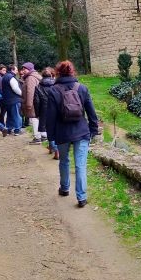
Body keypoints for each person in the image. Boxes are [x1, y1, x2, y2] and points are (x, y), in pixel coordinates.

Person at [46, 61, 99, 208]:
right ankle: (81, 197)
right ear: (72, 72)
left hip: (62, 133)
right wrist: (93, 130)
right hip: (81, 131)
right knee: (80, 165)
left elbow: (50, 117)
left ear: (57, 73)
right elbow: (91, 112)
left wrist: (51, 137)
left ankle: (64, 188)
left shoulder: (53, 90)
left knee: (64, 161)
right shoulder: (82, 88)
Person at [34, 67, 59, 159]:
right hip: (55, 109)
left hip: (44, 110)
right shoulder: (56, 85)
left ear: (42, 76)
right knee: (56, 128)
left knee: (48, 129)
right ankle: (55, 149)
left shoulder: (38, 87)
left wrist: (37, 114)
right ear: (51, 75)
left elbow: (36, 101)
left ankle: (53, 147)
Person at [20, 62, 43, 144]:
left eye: (24, 69)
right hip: (36, 101)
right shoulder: (34, 76)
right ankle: (43, 136)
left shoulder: (30, 78)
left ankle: (37, 137)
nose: (23, 71)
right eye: (22, 69)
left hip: (33, 102)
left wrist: (29, 104)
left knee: (34, 119)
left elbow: (30, 91)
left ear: (29, 69)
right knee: (37, 118)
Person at [1, 64, 23, 136]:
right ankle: (17, 130)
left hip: (7, 100)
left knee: (10, 115)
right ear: (12, 70)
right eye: (16, 70)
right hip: (14, 99)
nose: (17, 71)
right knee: (16, 115)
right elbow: (15, 88)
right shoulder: (11, 77)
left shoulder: (4, 77)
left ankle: (9, 129)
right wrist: (22, 94)